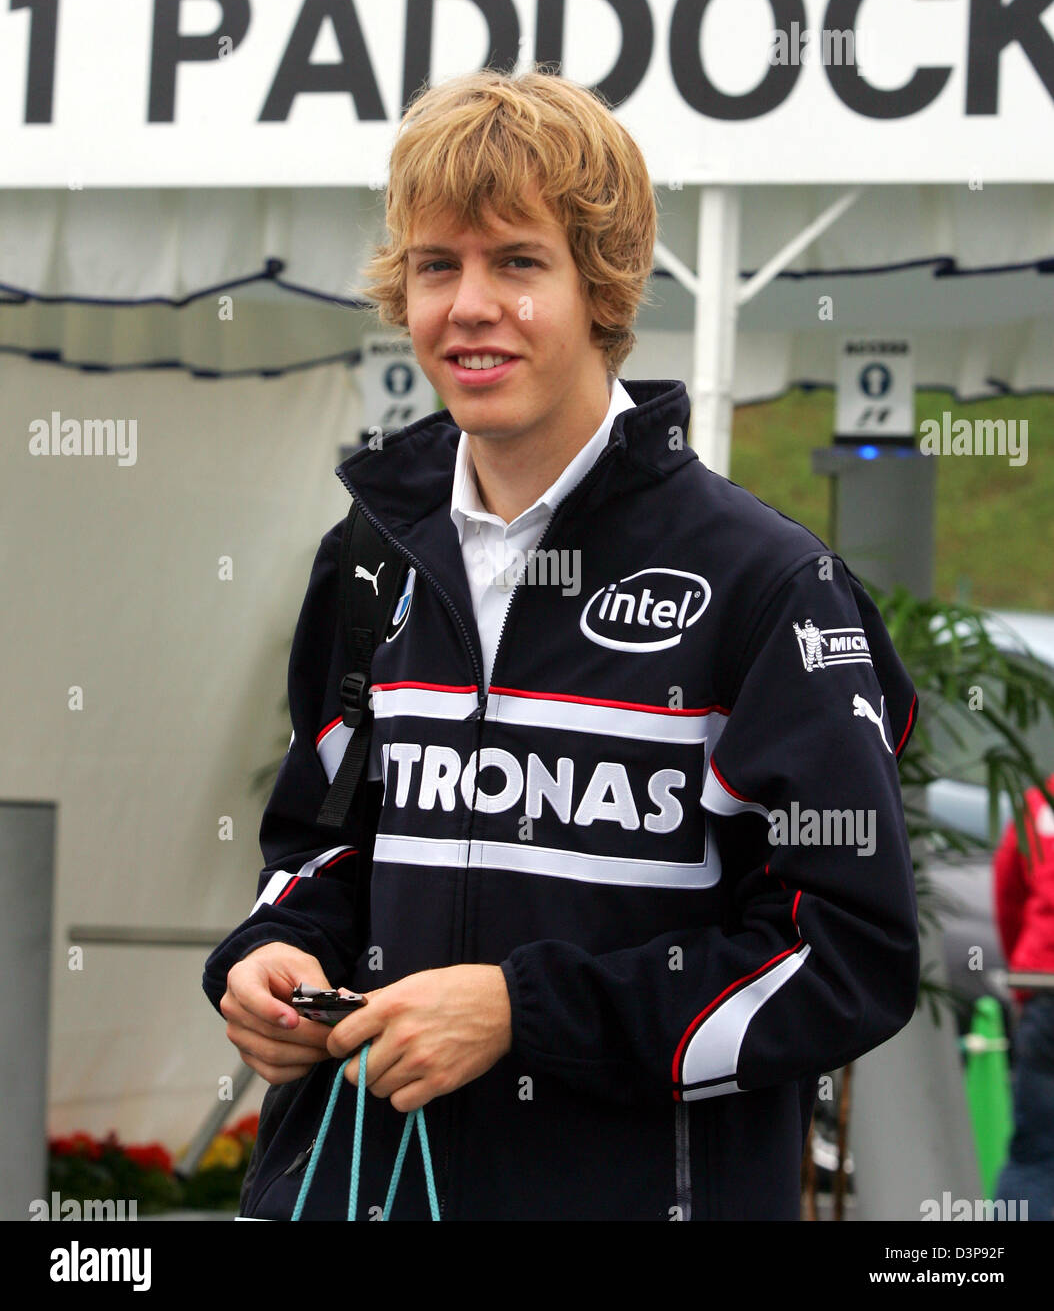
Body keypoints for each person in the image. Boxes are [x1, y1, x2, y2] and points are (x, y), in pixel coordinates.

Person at [202, 67, 920, 1221]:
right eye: (437, 265)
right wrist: (272, 946)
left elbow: (845, 959)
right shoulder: (373, 552)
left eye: (517, 263)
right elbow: (322, 844)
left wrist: (521, 1011)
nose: (468, 305)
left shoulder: (766, 584)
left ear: (603, 286)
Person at [993, 771, 1054, 1219]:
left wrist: (1027, 971)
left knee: (1036, 1154)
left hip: (1045, 991)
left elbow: (1007, 888)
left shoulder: (1040, 798)